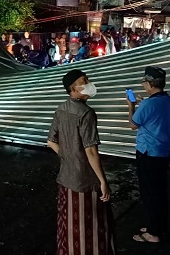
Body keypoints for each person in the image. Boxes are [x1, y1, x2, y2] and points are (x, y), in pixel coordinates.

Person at [47, 69, 115, 255]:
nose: (89, 83)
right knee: (92, 224)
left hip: (66, 179)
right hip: (86, 180)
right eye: (84, 81)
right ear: (73, 89)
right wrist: (102, 181)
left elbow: (51, 141)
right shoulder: (86, 113)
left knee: (69, 223)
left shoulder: (61, 108)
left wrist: (67, 156)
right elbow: (91, 150)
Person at [126, 66, 170, 244]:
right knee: (160, 192)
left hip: (148, 153)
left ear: (149, 83)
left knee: (149, 193)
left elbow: (133, 124)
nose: (142, 84)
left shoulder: (148, 104)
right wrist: (143, 103)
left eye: (143, 81)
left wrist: (131, 106)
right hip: (163, 153)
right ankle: (158, 225)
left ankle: (153, 233)